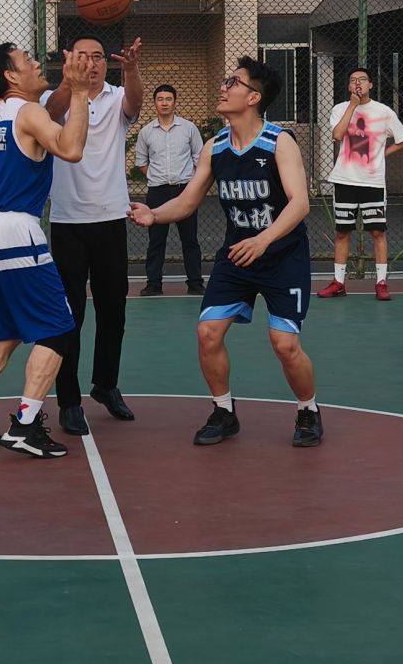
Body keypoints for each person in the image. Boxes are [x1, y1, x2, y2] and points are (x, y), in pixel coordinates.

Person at [132, 56, 322, 448]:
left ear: (254, 97)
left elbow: (300, 204)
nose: (223, 87)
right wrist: (154, 214)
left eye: (233, 82)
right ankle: (223, 411)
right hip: (237, 257)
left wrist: (263, 240)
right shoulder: (215, 146)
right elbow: (188, 201)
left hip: (283, 257)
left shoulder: (279, 142)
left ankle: (308, 410)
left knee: (285, 345)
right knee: (208, 332)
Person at [0, 42, 90, 461]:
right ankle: (25, 425)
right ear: (11, 75)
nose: (36, 62)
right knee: (58, 329)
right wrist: (81, 92)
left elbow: (47, 112)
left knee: (4, 333)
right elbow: (70, 149)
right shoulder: (28, 113)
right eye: (27, 60)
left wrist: (68, 85)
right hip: (15, 230)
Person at [45, 34, 145, 435]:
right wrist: (70, 85)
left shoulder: (117, 98)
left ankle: (105, 384)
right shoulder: (54, 100)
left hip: (110, 219)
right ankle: (68, 401)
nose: (92, 63)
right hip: (68, 222)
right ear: (70, 61)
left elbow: (135, 103)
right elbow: (51, 113)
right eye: (83, 56)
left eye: (99, 57)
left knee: (113, 311)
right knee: (69, 316)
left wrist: (132, 70)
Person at [319, 66, 403, 300]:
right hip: (344, 179)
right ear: (349, 86)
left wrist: (383, 154)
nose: (357, 83)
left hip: (372, 182)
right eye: (353, 80)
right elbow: (337, 135)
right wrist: (352, 106)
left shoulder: (384, 112)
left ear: (370, 85)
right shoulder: (340, 109)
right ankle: (338, 283)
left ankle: (381, 283)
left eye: (362, 79)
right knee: (342, 232)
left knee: (377, 232)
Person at [133, 82, 205, 296]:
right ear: (155, 103)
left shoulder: (189, 128)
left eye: (168, 99)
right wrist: (157, 178)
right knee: (156, 240)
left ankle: (195, 283)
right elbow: (142, 162)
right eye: (160, 99)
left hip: (185, 191)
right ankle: (153, 284)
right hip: (158, 192)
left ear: (175, 102)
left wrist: (191, 183)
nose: (164, 103)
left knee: (190, 239)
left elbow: (199, 158)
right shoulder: (146, 132)